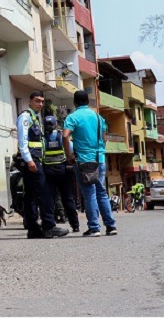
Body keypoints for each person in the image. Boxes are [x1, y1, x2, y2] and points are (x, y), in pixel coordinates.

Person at [63, 90, 116, 237]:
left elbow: (65, 136)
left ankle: (94, 227)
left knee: (89, 194)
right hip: (100, 159)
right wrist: (100, 151)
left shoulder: (72, 117)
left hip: (84, 161)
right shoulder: (99, 117)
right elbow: (105, 137)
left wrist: (69, 155)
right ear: (87, 101)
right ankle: (111, 226)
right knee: (102, 193)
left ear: (75, 102)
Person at [16, 91, 69, 239]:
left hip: (35, 159)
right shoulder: (26, 117)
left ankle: (33, 228)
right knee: (45, 192)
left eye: (42, 101)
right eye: (37, 101)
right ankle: (48, 226)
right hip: (31, 160)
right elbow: (22, 140)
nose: (40, 104)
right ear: (30, 101)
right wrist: (29, 160)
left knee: (31, 195)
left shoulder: (35, 117)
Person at [41, 115, 80, 233]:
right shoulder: (61, 136)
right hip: (63, 170)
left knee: (49, 199)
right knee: (68, 198)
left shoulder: (42, 139)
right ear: (55, 124)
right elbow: (71, 150)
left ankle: (50, 224)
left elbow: (41, 154)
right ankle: (75, 225)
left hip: (48, 171)